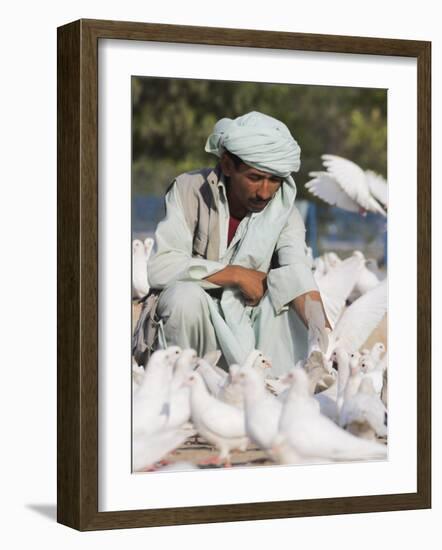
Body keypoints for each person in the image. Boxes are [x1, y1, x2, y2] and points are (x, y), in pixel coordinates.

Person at [137, 111, 328, 376]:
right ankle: (181, 386)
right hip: (196, 325)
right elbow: (161, 268)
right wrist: (236, 275)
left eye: (274, 180)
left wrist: (324, 339)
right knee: (184, 297)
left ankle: (271, 387)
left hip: (248, 326)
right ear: (227, 165)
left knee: (289, 304)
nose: (265, 192)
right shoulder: (189, 190)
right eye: (254, 177)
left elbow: (297, 274)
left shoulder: (284, 210)